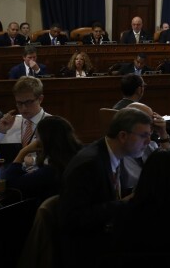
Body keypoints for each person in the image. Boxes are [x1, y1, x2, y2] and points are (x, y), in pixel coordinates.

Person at [59, 108, 154, 262]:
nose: (148, 142)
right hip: (89, 252)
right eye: (144, 136)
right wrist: (124, 203)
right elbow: (72, 219)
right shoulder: (90, 164)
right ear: (123, 136)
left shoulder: (112, 155)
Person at [4, 115, 81, 202]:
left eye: (37, 137)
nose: (35, 141)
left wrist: (22, 152)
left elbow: (11, 182)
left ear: (45, 141)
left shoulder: (51, 172)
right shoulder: (78, 157)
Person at [0, 76, 51, 145]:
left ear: (40, 99)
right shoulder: (10, 123)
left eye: (28, 102)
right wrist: (1, 131)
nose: (24, 108)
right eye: (19, 103)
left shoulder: (53, 124)